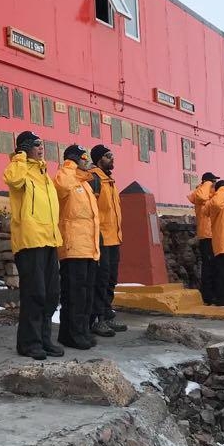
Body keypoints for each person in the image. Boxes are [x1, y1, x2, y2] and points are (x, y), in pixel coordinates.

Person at [3, 131, 64, 360]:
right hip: (29, 240)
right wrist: (19, 156)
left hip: (49, 238)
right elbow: (12, 180)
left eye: (42, 144)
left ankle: (44, 338)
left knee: (51, 294)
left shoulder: (44, 173)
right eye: (36, 144)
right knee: (34, 293)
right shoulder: (19, 169)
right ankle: (29, 343)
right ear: (26, 147)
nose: (41, 148)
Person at [54, 144, 101, 349]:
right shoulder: (66, 177)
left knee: (86, 293)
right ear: (74, 159)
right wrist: (70, 165)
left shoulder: (85, 183)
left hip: (89, 247)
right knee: (74, 293)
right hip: (74, 246)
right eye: (83, 158)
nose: (87, 161)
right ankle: (71, 334)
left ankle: (81, 330)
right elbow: (62, 186)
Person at [89, 144, 127, 336]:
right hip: (102, 238)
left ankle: (106, 315)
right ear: (98, 159)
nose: (112, 158)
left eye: (112, 155)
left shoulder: (110, 181)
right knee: (100, 280)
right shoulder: (94, 179)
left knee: (111, 280)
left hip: (114, 239)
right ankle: (97, 319)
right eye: (107, 156)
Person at [188, 173, 219, 304]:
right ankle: (208, 295)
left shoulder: (209, 195)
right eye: (212, 182)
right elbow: (201, 196)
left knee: (214, 266)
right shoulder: (200, 193)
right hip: (206, 235)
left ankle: (213, 293)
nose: (213, 184)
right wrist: (207, 183)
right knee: (208, 266)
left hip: (213, 234)